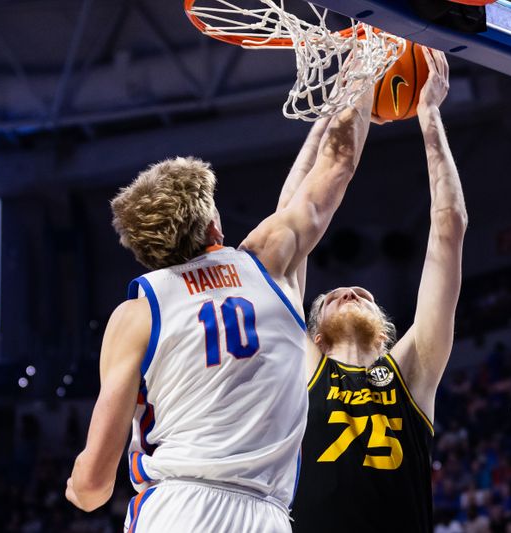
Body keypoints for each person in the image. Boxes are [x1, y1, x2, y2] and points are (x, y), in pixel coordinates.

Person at [64, 83, 375, 532]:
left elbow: (94, 487)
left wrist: (77, 484)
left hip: (178, 509)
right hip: (265, 513)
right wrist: (363, 76)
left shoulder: (137, 314)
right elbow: (336, 166)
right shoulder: (267, 263)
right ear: (213, 224)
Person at [290, 48, 467, 533]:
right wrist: (334, 109)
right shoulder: (304, 370)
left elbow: (448, 231)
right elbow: (292, 228)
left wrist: (429, 115)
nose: (349, 289)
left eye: (359, 294)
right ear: (316, 336)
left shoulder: (412, 371)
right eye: (331, 297)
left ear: (388, 335)